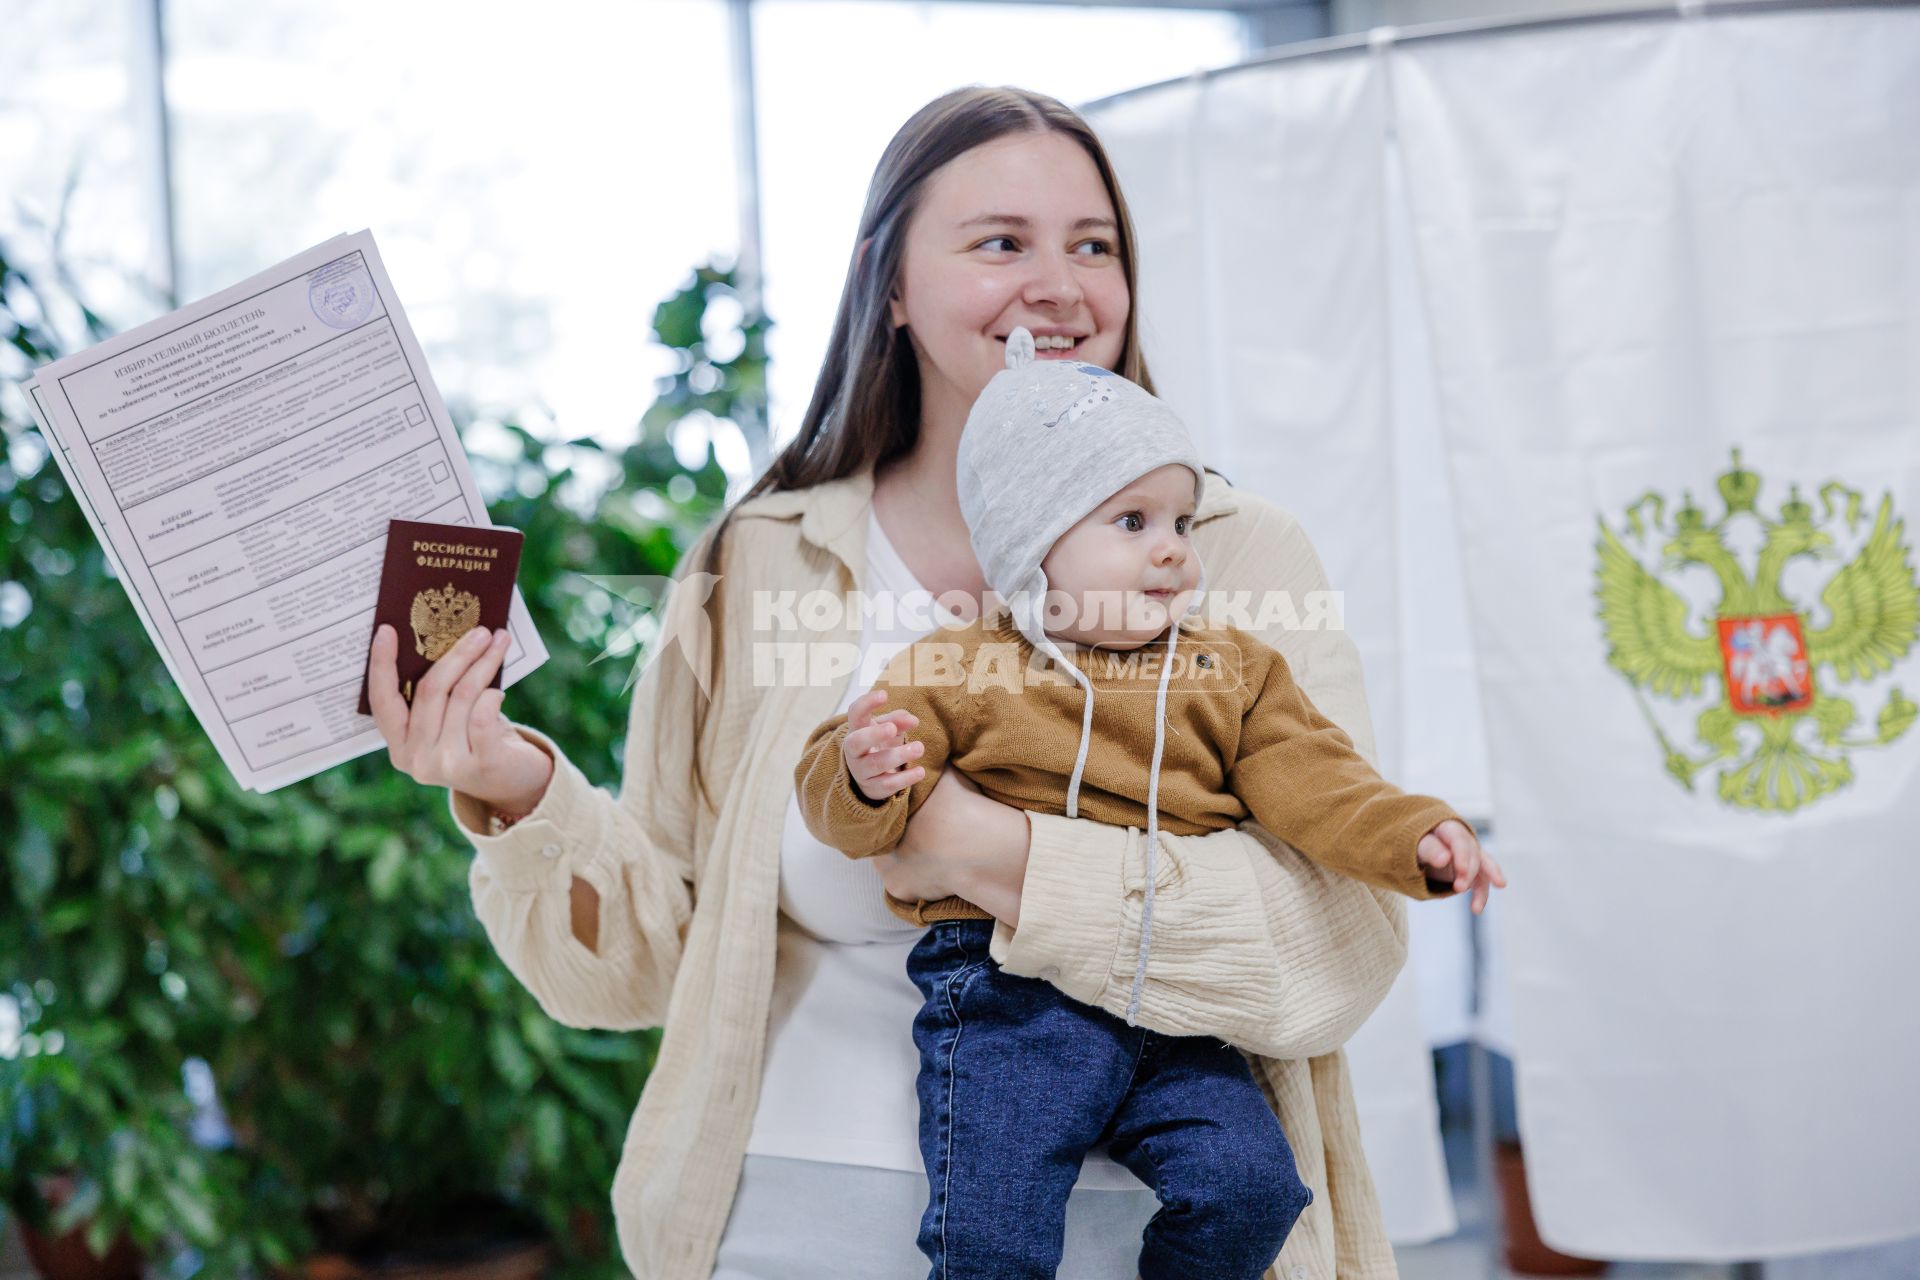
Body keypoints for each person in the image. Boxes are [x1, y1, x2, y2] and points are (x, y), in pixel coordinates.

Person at [367, 85, 1433, 1280]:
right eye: (1000, 243)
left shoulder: (1237, 551)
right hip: (789, 1211)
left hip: (1173, 1225)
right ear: (889, 288)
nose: (1061, 285)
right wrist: (516, 789)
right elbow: (647, 960)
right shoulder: (755, 556)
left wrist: (1000, 857)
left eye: (1095, 245)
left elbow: (1342, 940)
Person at [794, 331, 1502, 1278]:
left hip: (1172, 1003)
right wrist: (861, 772)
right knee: (989, 1237)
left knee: (1254, 1190)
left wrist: (1415, 833)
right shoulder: (959, 662)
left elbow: (1322, 779)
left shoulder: (1230, 669)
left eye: (1181, 524)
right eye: (1132, 523)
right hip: (1004, 993)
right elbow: (842, 804)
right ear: (1033, 541)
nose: (1172, 552)